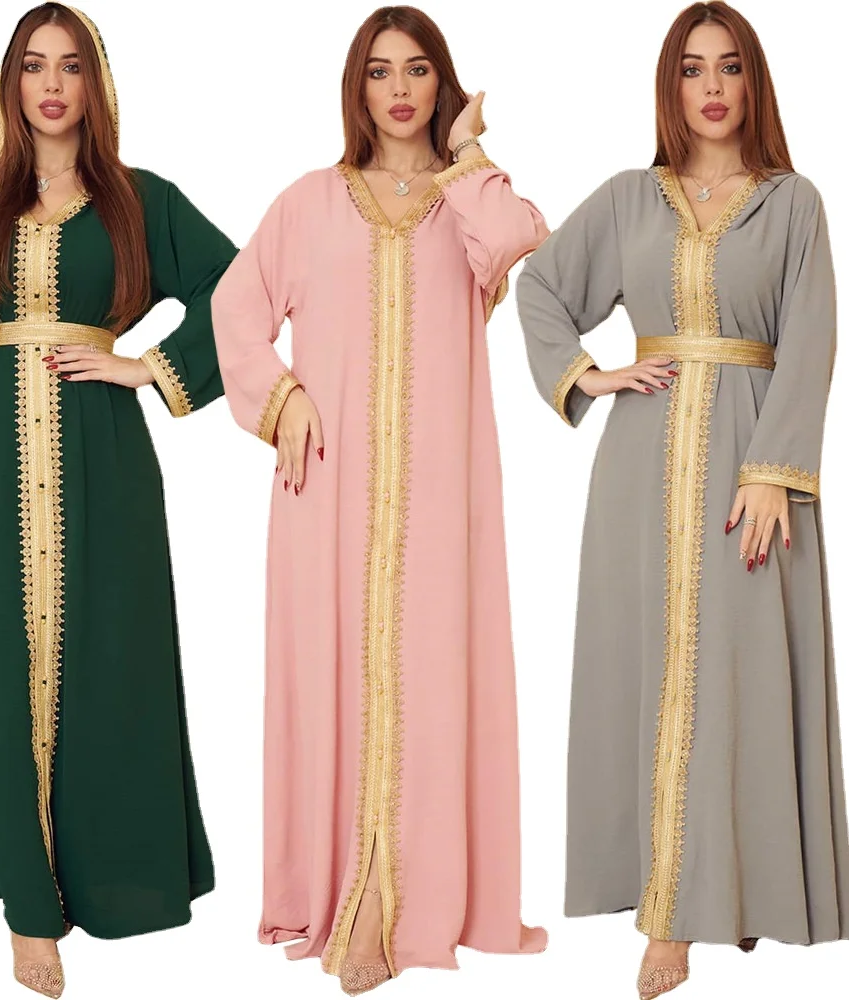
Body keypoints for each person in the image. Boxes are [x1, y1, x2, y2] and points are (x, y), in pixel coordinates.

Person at [0, 4, 236, 996]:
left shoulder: (140, 201)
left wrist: (149, 367)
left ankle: (106, 882)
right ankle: (29, 914)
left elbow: (240, 287)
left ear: (94, 83)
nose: (52, 85)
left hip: (106, 462)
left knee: (110, 663)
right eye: (34, 66)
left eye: (71, 66)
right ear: (12, 81)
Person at [516, 3, 849, 997]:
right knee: (647, 669)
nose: (711, 87)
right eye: (692, 69)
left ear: (754, 83)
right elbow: (541, 288)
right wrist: (587, 374)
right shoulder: (630, 198)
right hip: (640, 466)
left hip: (754, 469)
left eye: (730, 67)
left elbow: (812, 337)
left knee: (740, 676)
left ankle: (728, 893)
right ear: (670, 87)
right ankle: (667, 915)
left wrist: (772, 470)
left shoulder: (792, 203)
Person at [211, 5, 549, 994]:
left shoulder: (468, 204)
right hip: (328, 494)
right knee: (334, 673)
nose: (398, 89)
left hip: (441, 499)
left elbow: (519, 238)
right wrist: (280, 398)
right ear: (355, 89)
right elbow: (235, 309)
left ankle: (411, 904)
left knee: (434, 675)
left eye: (417, 70)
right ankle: (349, 895)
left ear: (442, 84)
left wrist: (467, 152)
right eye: (378, 71)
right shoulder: (311, 202)